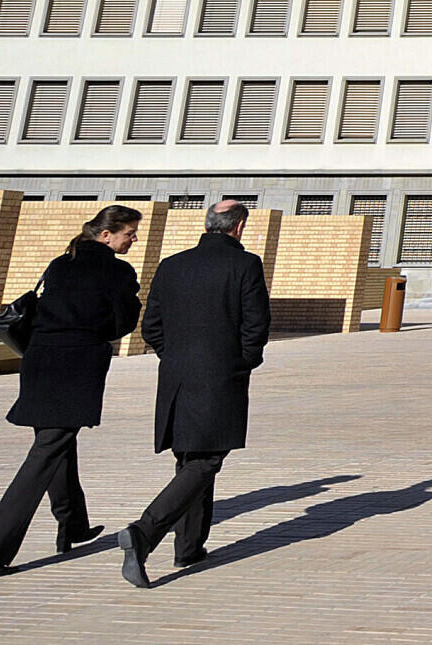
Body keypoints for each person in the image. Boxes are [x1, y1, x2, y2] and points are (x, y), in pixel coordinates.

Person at [0, 204, 144, 578]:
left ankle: (72, 524)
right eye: (129, 233)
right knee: (46, 452)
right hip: (75, 367)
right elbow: (122, 323)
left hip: (39, 362)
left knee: (56, 440)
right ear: (106, 235)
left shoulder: (61, 264)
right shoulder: (117, 270)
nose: (133, 239)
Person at [117, 197, 269, 589]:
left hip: (177, 377)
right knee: (206, 459)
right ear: (238, 228)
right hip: (219, 377)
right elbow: (256, 325)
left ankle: (188, 546)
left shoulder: (172, 265)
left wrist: (176, 357)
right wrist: (242, 362)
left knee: (190, 457)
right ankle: (144, 533)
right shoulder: (245, 264)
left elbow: (151, 326)